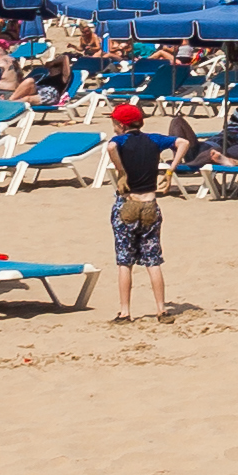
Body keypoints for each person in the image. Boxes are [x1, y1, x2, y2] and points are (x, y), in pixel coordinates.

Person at [104, 100, 171, 320]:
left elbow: (112, 146)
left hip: (127, 204)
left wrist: (121, 171)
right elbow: (182, 142)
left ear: (121, 125)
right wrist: (170, 171)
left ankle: (125, 311)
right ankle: (161, 309)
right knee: (153, 261)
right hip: (150, 204)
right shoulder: (153, 140)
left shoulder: (119, 141)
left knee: (125, 262)